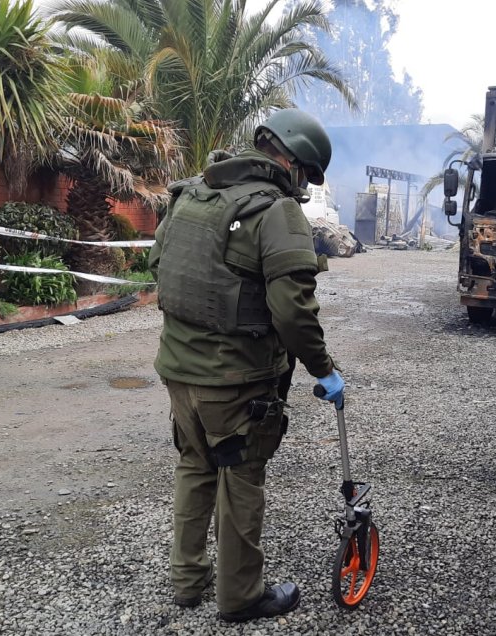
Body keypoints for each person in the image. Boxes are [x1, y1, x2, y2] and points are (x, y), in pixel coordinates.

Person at [149, 108, 345, 622]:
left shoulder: (193, 193)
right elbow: (293, 312)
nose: (304, 186)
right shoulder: (276, 211)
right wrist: (323, 368)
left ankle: (188, 582)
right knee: (239, 479)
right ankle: (241, 597)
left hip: (179, 370)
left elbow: (159, 267)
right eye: (307, 174)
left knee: (194, 465)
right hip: (236, 381)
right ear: (293, 162)